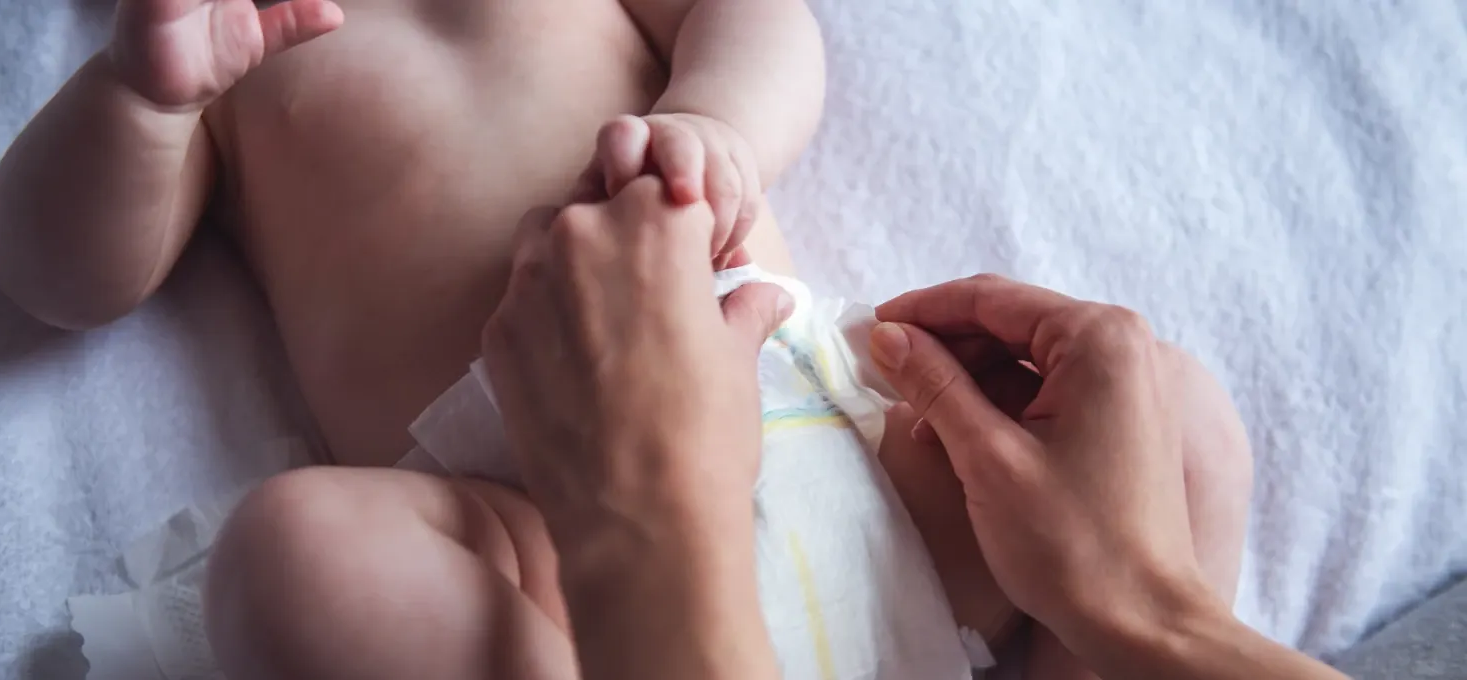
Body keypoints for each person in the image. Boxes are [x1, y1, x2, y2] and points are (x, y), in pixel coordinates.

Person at [0, 0, 1019, 676]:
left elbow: (756, 22)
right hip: (543, 539)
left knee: (1116, 409)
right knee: (294, 556)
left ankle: (1076, 644)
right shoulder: (224, 48)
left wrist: (715, 122)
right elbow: (54, 272)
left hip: (813, 428)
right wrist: (141, 101)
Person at [479, 181, 1352, 680]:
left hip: (612, 569)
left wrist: (710, 113)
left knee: (1179, 409)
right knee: (341, 559)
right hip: (576, 549)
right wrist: (1153, 607)